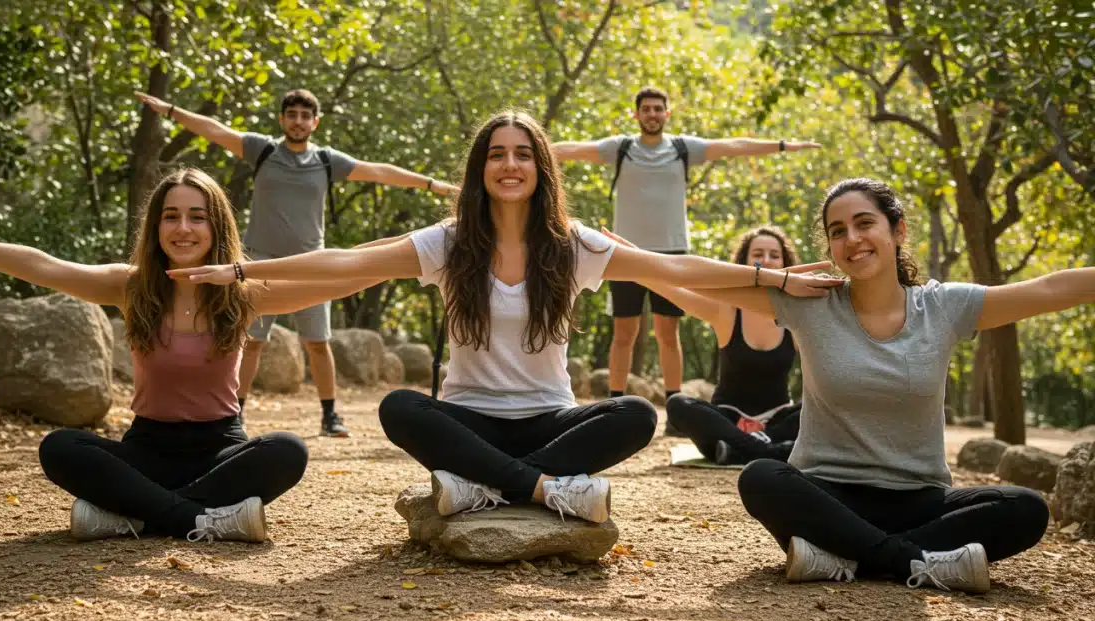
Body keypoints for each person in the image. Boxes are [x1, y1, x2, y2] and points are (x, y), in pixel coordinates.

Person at [168, 111, 841, 523]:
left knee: (634, 413)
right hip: (469, 417)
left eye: (523, 153)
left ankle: (485, 483)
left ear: (542, 167)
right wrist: (239, 270)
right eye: (497, 153)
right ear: (480, 168)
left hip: (549, 419)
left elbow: (676, 267)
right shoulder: (451, 241)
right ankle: (545, 489)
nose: (510, 163)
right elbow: (345, 263)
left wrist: (773, 278)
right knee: (402, 407)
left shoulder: (573, 244)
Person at [606, 178, 1074, 593]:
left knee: (1025, 508)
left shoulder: (944, 307)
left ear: (897, 230)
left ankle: (844, 558)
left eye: (864, 223)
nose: (852, 239)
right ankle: (916, 562)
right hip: (826, 494)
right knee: (763, 478)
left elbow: (1050, 289)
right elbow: (686, 277)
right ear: (828, 246)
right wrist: (623, 254)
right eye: (837, 231)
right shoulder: (810, 303)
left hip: (919, 499)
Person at [0, 169, 383, 543]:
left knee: (288, 451)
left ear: (217, 226)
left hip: (220, 450)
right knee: (60, 447)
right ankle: (202, 519)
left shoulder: (244, 292)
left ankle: (132, 515)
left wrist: (413, 254)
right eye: (171, 215)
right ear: (156, 226)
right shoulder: (130, 287)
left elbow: (340, 275)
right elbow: (41, 266)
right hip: (146, 451)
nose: (183, 228)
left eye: (197, 216)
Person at [136, 89, 459, 437]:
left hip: (311, 265)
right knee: (251, 340)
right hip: (256, 263)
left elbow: (378, 171)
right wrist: (170, 109)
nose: (298, 121)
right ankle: (237, 413)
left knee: (317, 343)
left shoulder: (325, 160)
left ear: (315, 122)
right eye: (292, 114)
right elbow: (216, 131)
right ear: (282, 119)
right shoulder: (263, 150)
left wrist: (434, 186)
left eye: (306, 115)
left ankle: (330, 414)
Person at [553, 86, 819, 416]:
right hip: (622, 255)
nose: (652, 114)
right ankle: (614, 403)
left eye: (657, 109)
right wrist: (526, 149)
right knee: (625, 332)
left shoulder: (682, 148)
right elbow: (572, 150)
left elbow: (733, 146)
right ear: (635, 115)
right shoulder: (619, 148)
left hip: (674, 255)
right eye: (646, 109)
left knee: (667, 331)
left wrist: (783, 145)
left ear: (667, 113)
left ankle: (673, 408)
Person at [664, 226, 802, 465]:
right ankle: (770, 450)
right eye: (758, 254)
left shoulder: (799, 314)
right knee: (677, 404)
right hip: (726, 419)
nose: (766, 261)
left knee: (816, 408)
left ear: (785, 263)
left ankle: (739, 448)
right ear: (744, 262)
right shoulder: (725, 308)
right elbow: (669, 286)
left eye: (774, 255)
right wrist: (632, 258)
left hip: (777, 421)